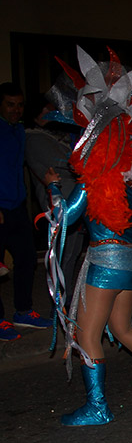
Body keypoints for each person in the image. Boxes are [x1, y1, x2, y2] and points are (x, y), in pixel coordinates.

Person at [42, 47, 132, 426]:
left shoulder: (96, 179)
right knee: (122, 327)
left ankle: (98, 406)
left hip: (105, 262)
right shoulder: (131, 180)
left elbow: (64, 218)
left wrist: (54, 189)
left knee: (85, 335)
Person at [0, 82, 52, 341]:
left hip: (17, 206)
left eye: (19, 105)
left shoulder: (19, 130)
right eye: (10, 104)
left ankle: (23, 311)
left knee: (27, 258)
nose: (15, 110)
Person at [25, 99, 85, 310]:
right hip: (60, 204)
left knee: (72, 254)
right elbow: (65, 163)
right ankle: (60, 305)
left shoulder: (56, 136)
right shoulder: (33, 138)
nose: (52, 116)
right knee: (63, 256)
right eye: (47, 112)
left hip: (73, 202)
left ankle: (66, 299)